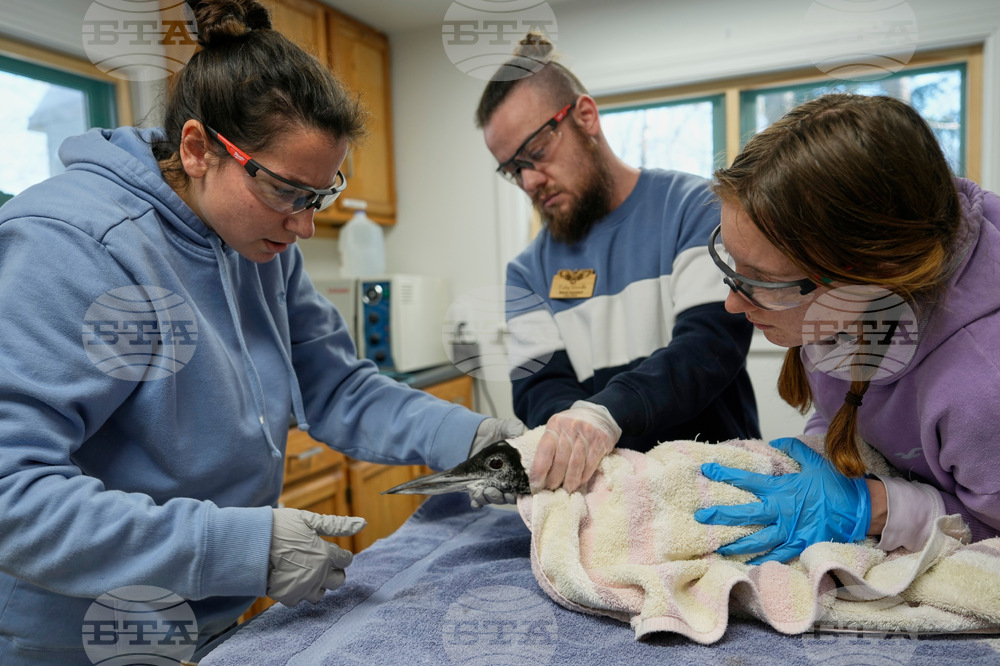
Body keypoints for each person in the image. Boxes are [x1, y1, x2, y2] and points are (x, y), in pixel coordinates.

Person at [0, 1, 520, 662]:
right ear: (197, 149)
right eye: (284, 190)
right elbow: (12, 497)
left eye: (317, 194)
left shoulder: (258, 243)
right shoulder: (74, 245)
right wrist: (244, 547)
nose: (304, 226)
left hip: (211, 616)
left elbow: (335, 387)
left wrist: (475, 437)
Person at [695, 93, 1000, 564]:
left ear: (871, 274)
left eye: (764, 280)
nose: (732, 303)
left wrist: (879, 508)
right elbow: (848, 400)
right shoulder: (847, 305)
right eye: (734, 264)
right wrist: (823, 454)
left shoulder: (983, 385)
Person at [474, 34, 760, 495]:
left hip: (718, 483)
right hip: (603, 497)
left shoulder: (695, 209)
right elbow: (539, 389)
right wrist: (583, 443)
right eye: (512, 168)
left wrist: (605, 412)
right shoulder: (526, 272)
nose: (529, 180)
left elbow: (708, 347)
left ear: (585, 116)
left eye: (537, 152)